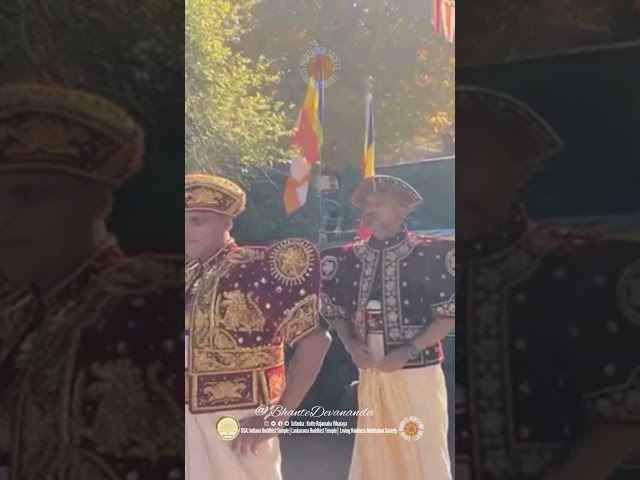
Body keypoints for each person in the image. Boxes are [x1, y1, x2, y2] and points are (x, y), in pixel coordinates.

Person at [455, 85, 640, 480]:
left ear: (518, 166)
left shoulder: (583, 269)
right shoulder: (416, 272)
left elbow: (627, 415)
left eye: (467, 153)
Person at [0, 83, 184, 479]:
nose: (3, 218)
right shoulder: (15, 315)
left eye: (29, 197)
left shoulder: (151, 306)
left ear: (99, 202)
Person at [184, 173, 331, 480]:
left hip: (239, 416)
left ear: (226, 223)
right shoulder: (186, 273)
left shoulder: (253, 268)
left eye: (197, 221)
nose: (185, 231)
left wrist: (277, 417)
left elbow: (315, 341)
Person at [320, 175, 455, 480]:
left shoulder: (432, 254)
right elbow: (339, 314)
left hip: (417, 373)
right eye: (367, 204)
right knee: (374, 451)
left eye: (378, 203)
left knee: (422, 451)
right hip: (370, 372)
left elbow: (448, 315)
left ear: (403, 208)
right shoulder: (345, 259)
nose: (370, 209)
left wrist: (409, 350)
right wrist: (353, 346)